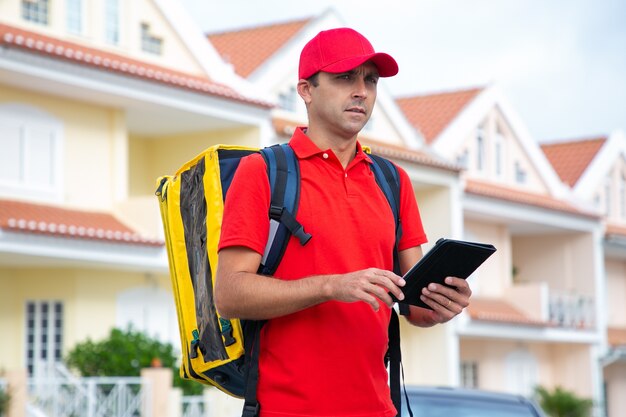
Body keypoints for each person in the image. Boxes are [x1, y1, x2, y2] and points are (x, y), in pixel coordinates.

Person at [215, 27, 472, 417]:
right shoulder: (263, 173)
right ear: (306, 89)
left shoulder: (392, 181)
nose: (362, 91)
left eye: (370, 80)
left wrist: (441, 304)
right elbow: (230, 295)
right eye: (345, 77)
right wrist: (333, 284)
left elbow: (414, 306)